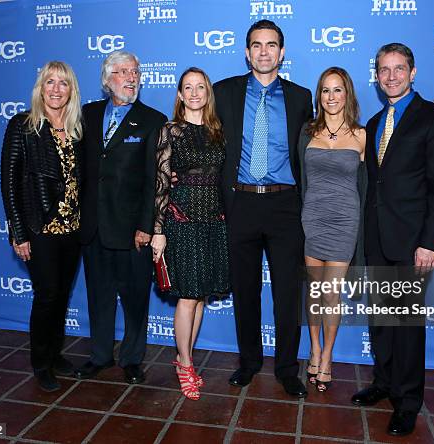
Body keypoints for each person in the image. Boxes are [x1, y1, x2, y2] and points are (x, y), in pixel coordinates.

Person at [351, 43, 434, 436]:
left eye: (399, 69)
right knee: (381, 318)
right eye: (384, 69)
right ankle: (384, 383)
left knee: (407, 323)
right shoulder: (376, 121)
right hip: (378, 237)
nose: (391, 76)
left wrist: (430, 242)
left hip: (414, 241)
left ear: (413, 73)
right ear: (376, 76)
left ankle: (408, 401)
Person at [213, 20, 313, 398]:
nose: (264, 52)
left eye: (272, 45)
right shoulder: (223, 93)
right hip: (240, 202)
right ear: (247, 51)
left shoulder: (302, 97)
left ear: (282, 52)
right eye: (257, 45)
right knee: (245, 289)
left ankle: (287, 368)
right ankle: (249, 362)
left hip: (286, 204)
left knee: (288, 292)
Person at [74, 50, 167, 384]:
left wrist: (146, 226)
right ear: (107, 79)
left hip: (132, 231)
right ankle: (99, 355)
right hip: (93, 228)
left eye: (136, 71)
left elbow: (154, 181)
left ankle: (131, 358)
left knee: (135, 297)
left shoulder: (153, 120)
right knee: (98, 296)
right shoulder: (87, 114)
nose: (132, 77)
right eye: (124, 72)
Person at [0, 61, 83, 392]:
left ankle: (55, 354)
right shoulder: (23, 125)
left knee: (62, 295)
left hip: (73, 229)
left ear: (71, 90)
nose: (56, 89)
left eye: (63, 83)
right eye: (50, 82)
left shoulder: (77, 128)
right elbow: (9, 183)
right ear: (40, 87)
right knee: (47, 295)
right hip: (40, 226)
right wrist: (18, 232)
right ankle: (40, 362)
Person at [151, 67, 229, 401]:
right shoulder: (171, 130)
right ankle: (184, 363)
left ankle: (188, 358)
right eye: (188, 88)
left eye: (200, 87)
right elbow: (161, 182)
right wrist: (158, 231)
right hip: (181, 220)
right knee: (187, 296)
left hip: (212, 220)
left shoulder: (218, 131)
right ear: (180, 94)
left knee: (200, 296)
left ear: (207, 93)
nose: (195, 93)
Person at [298, 67, 366, 392]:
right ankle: (312, 348)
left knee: (331, 294)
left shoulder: (362, 135)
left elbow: (369, 186)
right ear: (319, 96)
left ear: (347, 94)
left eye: (338, 90)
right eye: (325, 90)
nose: (331, 97)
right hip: (312, 217)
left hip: (345, 219)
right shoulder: (307, 132)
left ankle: (327, 357)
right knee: (313, 292)